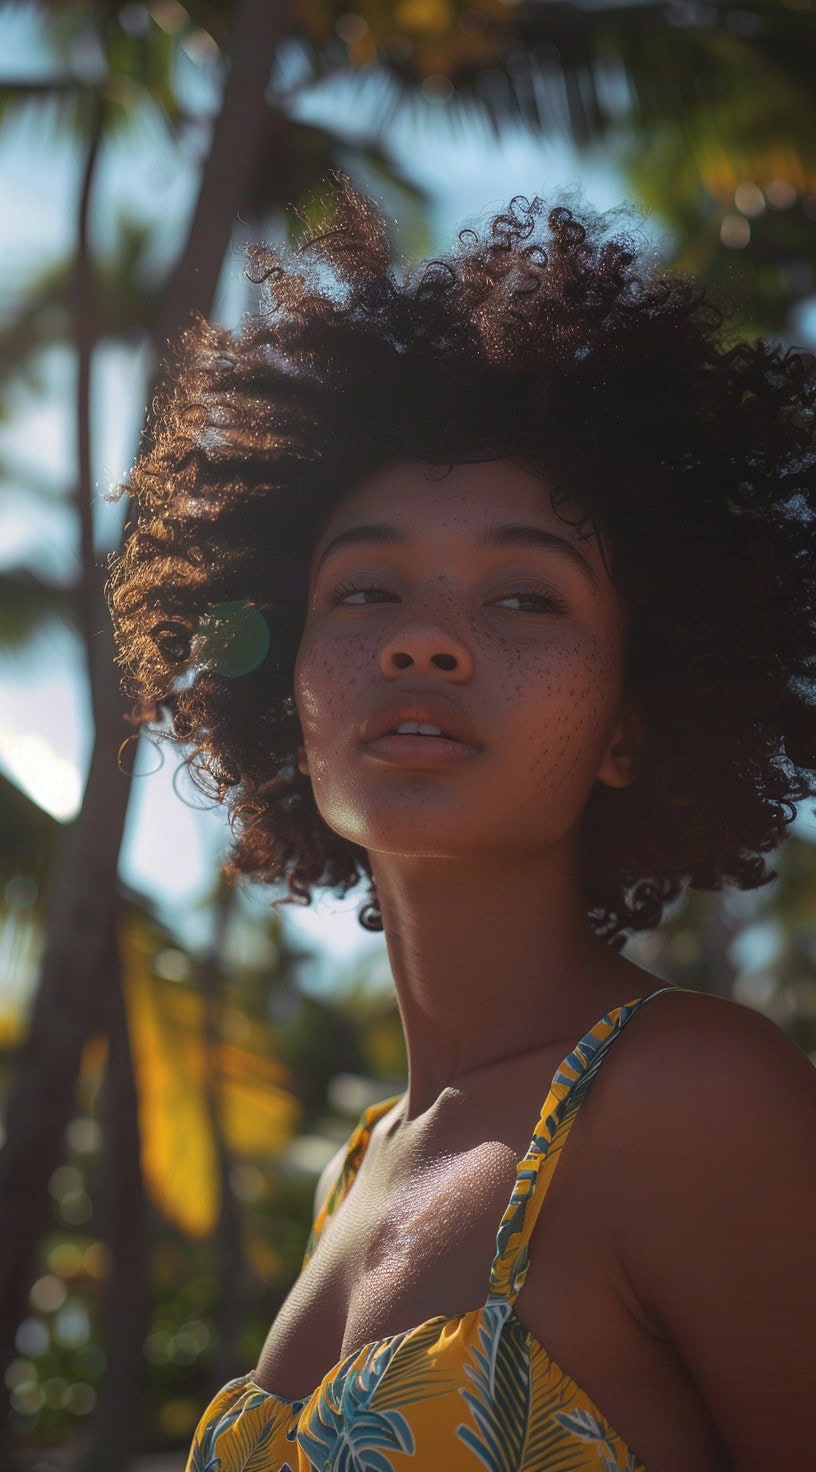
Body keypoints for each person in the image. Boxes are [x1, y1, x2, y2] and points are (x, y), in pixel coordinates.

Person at [107, 183, 816, 1471]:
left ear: (630, 728)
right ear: (291, 691)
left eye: (527, 598)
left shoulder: (695, 1100)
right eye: (365, 587)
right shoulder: (362, 1164)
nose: (422, 638)